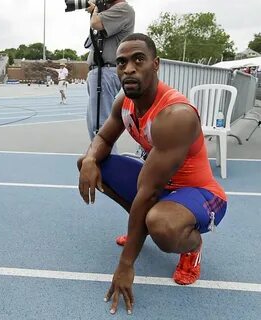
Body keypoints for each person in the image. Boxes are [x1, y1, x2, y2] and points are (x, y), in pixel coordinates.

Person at [77, 33, 227, 314]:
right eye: (122, 63)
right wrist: (88, 159)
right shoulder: (125, 99)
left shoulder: (175, 115)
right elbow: (104, 139)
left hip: (200, 194)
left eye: (138, 60)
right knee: (92, 163)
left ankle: (192, 247)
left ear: (155, 64)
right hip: (159, 186)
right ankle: (141, 227)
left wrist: (125, 264)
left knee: (161, 224)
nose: (129, 69)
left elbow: (148, 192)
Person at [85, 0, 135, 145]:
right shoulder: (112, 10)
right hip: (100, 72)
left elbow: (96, 24)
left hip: (106, 71)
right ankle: (102, 164)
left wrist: (95, 10)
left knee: (101, 128)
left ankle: (107, 166)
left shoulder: (123, 9)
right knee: (95, 125)